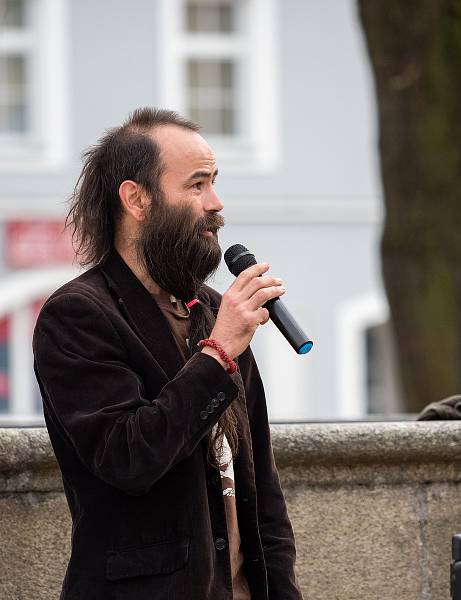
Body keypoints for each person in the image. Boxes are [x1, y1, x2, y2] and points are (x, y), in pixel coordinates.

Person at [33, 108, 303, 600]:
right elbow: (128, 457)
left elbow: (261, 488)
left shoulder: (213, 311)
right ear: (137, 199)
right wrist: (218, 354)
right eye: (197, 185)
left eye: (214, 182)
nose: (216, 203)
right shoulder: (78, 315)